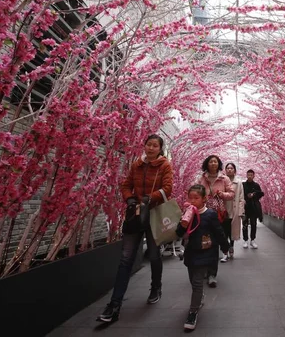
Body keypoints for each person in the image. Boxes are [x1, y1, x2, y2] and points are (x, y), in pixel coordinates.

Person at [97, 134, 174, 323]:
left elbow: (168, 188)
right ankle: (114, 305)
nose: (151, 148)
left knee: (154, 255)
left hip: (154, 215)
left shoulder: (165, 165)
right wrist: (129, 198)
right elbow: (126, 185)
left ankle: (156, 286)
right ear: (145, 146)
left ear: (160, 148)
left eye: (155, 145)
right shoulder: (136, 165)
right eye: (148, 145)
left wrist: (151, 198)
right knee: (125, 259)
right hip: (135, 215)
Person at [177, 184, 229, 331]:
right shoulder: (187, 212)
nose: (193, 201)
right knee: (193, 280)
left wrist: (225, 247)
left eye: (196, 198)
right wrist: (184, 221)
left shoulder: (210, 214)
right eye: (190, 198)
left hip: (206, 253)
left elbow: (219, 232)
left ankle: (192, 312)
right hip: (191, 252)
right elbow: (179, 232)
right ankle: (198, 300)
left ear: (204, 199)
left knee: (198, 282)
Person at [196, 155, 234, 287]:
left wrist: (222, 194)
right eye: (211, 161)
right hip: (203, 213)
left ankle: (212, 273)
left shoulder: (224, 179)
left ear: (219, 164)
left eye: (215, 162)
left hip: (218, 215)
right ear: (207, 164)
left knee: (215, 243)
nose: (213, 164)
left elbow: (231, 194)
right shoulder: (201, 178)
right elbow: (195, 192)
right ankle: (204, 268)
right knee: (204, 241)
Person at [220, 162, 245, 262]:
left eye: (231, 168)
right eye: (228, 168)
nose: (229, 170)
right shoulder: (221, 181)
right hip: (224, 210)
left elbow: (241, 198)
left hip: (234, 211)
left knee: (232, 233)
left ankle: (231, 247)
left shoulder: (238, 183)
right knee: (224, 232)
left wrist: (241, 212)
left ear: (234, 170)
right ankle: (225, 252)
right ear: (225, 170)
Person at [242, 169, 264, 249]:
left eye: (251, 175)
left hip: (253, 208)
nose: (249, 176)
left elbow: (261, 194)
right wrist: (245, 198)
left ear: (254, 176)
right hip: (244, 208)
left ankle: (252, 240)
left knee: (254, 224)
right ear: (246, 175)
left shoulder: (256, 185)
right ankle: (245, 240)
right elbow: (240, 194)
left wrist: (254, 195)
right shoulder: (243, 184)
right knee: (244, 224)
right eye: (248, 175)